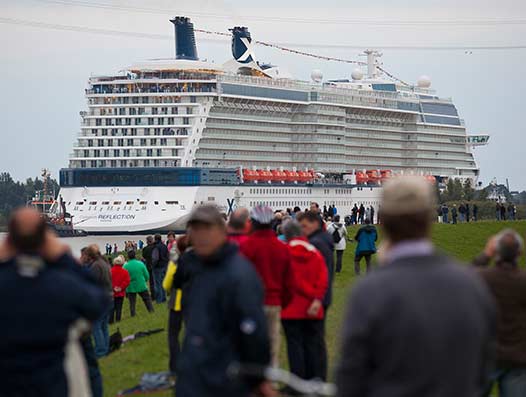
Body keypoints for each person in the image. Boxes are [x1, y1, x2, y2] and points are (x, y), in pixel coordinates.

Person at [335, 176, 496, 397]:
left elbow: (350, 379)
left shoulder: (369, 292)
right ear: (429, 218)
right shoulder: (470, 285)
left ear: (386, 222)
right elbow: (485, 371)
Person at [0, 208, 108, 397]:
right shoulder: (60, 285)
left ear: (9, 241)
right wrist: (64, 258)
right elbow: (99, 299)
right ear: (45, 240)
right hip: (53, 383)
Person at [172, 205, 272, 397]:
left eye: (206, 229)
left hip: (225, 377)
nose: (200, 236)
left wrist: (256, 377)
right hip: (192, 373)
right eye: (195, 230)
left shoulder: (240, 274)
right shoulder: (196, 269)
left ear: (222, 230)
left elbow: (255, 333)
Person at [474, 230, 526, 396]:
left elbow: (464, 278)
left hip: (487, 354)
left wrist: (485, 255)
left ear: (496, 251)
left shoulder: (484, 277)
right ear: (520, 253)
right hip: (517, 358)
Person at [240, 205, 291, 369]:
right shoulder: (282, 248)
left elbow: (240, 278)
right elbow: (288, 280)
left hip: (251, 303)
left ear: (253, 223)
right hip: (275, 302)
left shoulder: (246, 247)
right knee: (273, 341)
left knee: (250, 342)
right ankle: (271, 379)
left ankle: (252, 380)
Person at [281, 220, 328, 382]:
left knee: (294, 347)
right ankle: (314, 379)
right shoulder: (314, 252)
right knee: (312, 345)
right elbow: (323, 277)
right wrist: (316, 298)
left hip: (290, 308)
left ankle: (296, 382)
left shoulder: (285, 252)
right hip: (312, 307)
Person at [297, 210, 333, 380]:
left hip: (316, 298)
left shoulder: (317, 243)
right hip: (321, 297)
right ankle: (315, 376)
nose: (302, 229)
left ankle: (316, 377)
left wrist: (317, 298)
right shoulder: (322, 240)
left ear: (315, 224)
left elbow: (320, 273)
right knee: (314, 339)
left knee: (313, 340)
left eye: (304, 226)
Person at [163, 235, 189, 374]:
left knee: (173, 335)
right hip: (192, 302)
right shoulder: (198, 261)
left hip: (176, 302)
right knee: (190, 332)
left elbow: (166, 284)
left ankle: (174, 366)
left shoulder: (174, 263)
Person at [81, 244, 113, 358]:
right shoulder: (104, 263)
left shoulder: (95, 266)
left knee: (96, 325)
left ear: (89, 255)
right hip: (109, 295)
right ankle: (105, 346)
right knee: (103, 325)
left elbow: (91, 283)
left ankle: (100, 350)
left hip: (101, 298)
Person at [124, 250, 154, 317]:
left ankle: (133, 314)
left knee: (132, 302)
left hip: (130, 286)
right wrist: (145, 280)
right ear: (135, 256)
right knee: (147, 299)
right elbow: (146, 275)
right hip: (141, 284)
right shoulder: (140, 264)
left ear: (128, 257)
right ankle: (151, 310)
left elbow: (123, 277)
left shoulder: (125, 266)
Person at [110, 255, 130, 324]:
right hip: (121, 292)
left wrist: (113, 288)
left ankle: (111, 321)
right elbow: (127, 281)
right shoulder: (125, 272)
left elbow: (108, 281)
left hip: (112, 292)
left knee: (112, 308)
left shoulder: (110, 271)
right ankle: (118, 320)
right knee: (119, 307)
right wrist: (121, 287)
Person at [152, 234, 169, 303]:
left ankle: (159, 299)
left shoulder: (156, 247)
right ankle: (164, 297)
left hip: (158, 267)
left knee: (158, 283)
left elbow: (155, 258)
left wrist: (153, 265)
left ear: (155, 239)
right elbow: (168, 255)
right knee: (163, 282)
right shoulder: (164, 246)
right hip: (164, 265)